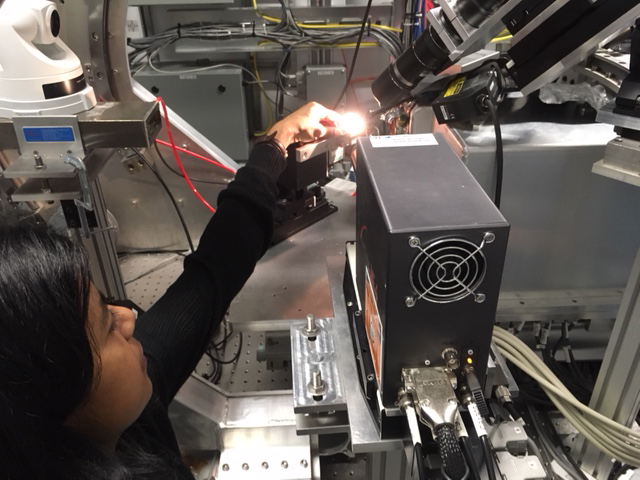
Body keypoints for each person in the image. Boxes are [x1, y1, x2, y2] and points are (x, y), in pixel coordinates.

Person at [0, 102, 342, 479]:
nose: (128, 316)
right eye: (105, 324)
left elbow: (212, 274)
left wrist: (277, 142)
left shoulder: (120, 419)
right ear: (54, 392)